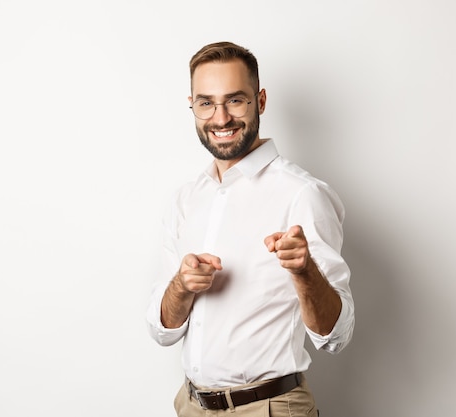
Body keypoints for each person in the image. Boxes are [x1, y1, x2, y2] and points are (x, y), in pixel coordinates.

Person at [146, 41, 354, 417]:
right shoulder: (186, 199)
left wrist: (304, 272)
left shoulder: (303, 195)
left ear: (260, 101)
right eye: (206, 103)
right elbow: (164, 330)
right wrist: (180, 285)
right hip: (192, 406)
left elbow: (335, 337)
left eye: (235, 100)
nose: (221, 118)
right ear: (192, 105)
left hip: (270, 409)